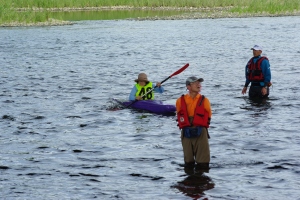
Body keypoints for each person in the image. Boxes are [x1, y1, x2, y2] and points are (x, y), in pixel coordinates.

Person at [176, 76, 212, 172]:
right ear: (188, 86)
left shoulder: (205, 100)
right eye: (195, 83)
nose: (198, 85)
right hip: (186, 130)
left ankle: (201, 178)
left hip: (200, 131)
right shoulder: (180, 100)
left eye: (199, 83)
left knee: (203, 162)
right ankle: (190, 178)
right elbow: (179, 114)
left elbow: (209, 115)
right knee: (188, 161)